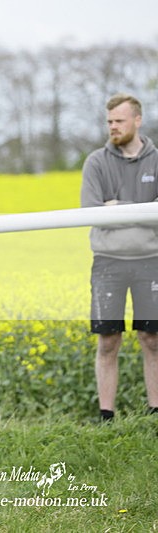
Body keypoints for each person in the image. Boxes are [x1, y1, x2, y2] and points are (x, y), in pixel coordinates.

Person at [80, 93, 158, 421]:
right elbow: (92, 212)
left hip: (151, 259)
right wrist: (142, 211)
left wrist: (117, 207)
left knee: (152, 338)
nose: (112, 127)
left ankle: (155, 412)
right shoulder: (96, 162)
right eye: (109, 121)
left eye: (119, 121)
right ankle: (106, 416)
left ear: (137, 121)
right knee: (108, 340)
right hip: (108, 261)